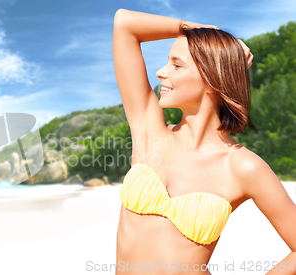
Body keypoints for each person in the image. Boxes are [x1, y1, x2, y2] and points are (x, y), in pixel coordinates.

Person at [113, 9, 296, 274]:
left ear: (212, 78)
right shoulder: (149, 132)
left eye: (176, 65)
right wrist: (210, 32)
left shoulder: (242, 167)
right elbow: (124, 24)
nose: (160, 72)